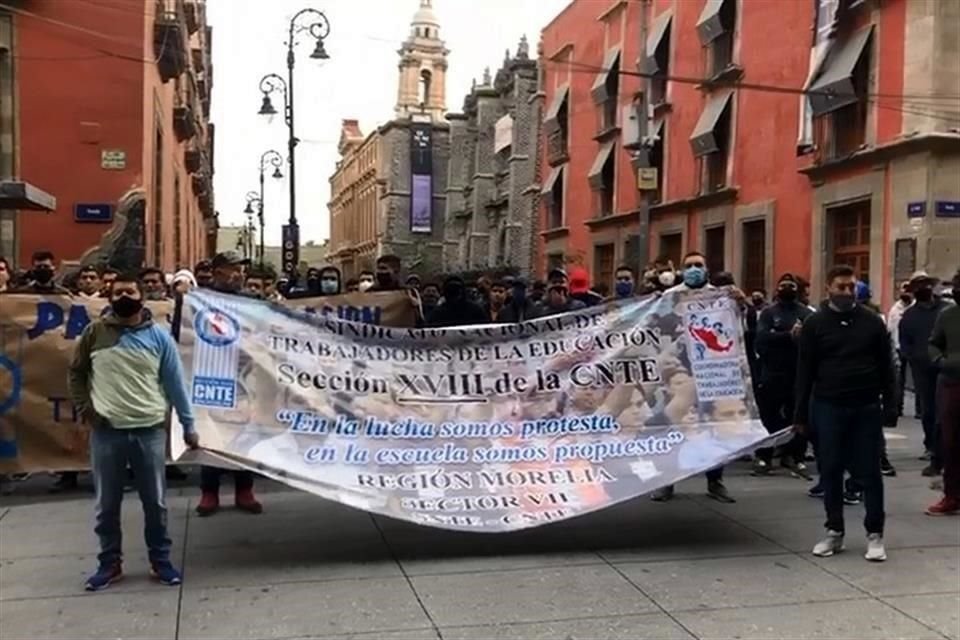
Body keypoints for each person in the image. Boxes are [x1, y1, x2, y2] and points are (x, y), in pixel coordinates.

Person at [67, 272, 199, 590]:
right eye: (119, 292)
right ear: (109, 297)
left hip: (149, 431)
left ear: (142, 296)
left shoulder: (160, 338)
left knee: (155, 503)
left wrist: (188, 424)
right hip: (107, 432)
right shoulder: (93, 333)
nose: (125, 296)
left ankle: (161, 561)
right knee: (107, 505)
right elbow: (76, 374)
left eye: (131, 291)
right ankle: (109, 564)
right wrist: (87, 409)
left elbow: (175, 385)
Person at [794, 264, 895, 562]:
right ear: (828, 288)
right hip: (828, 405)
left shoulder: (872, 322)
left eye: (852, 287)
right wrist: (800, 415)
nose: (848, 292)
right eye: (841, 287)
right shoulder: (814, 324)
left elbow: (887, 367)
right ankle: (834, 531)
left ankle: (875, 535)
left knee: (870, 472)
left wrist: (890, 405)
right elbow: (805, 372)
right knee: (831, 469)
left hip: (865, 406)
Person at [652, 251, 735, 504]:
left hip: (712, 371)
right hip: (680, 371)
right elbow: (656, 326)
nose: (694, 269)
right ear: (681, 270)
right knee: (674, 425)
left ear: (707, 269)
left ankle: (715, 480)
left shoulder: (721, 296)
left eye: (699, 265)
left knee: (713, 426)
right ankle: (667, 481)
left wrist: (741, 303)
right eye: (689, 266)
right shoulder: (669, 296)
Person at [196, 251, 263, 517]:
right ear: (218, 271)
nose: (239, 273)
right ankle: (209, 492)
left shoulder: (252, 300)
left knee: (245, 431)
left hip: (245, 374)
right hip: (212, 372)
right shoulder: (200, 298)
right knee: (212, 434)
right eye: (234, 268)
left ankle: (244, 489)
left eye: (241, 269)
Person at [754, 274, 813, 477]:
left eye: (791, 285)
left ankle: (795, 456)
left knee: (797, 416)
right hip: (772, 372)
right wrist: (788, 335)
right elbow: (762, 338)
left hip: (798, 373)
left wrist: (800, 336)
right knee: (768, 417)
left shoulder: (806, 313)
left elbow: (813, 340)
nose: (787, 288)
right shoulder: (768, 313)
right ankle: (764, 456)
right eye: (783, 285)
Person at [900, 271, 951, 476]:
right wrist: (913, 357)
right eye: (919, 286)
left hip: (947, 367)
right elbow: (904, 343)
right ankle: (931, 445)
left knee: (947, 408)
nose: (924, 289)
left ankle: (947, 446)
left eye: (926, 285)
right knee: (928, 410)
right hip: (923, 368)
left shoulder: (946, 310)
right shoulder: (909, 316)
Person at [927, 268, 960, 516]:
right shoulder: (947, 315)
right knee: (951, 443)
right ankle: (952, 496)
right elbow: (933, 342)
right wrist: (939, 361)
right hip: (951, 383)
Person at [887, 281, 914, 417]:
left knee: (917, 378)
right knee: (899, 379)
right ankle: (898, 406)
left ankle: (920, 409)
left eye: (909, 291)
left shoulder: (915, 308)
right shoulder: (895, 309)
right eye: (905, 290)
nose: (906, 293)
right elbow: (890, 329)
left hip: (913, 347)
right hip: (898, 347)